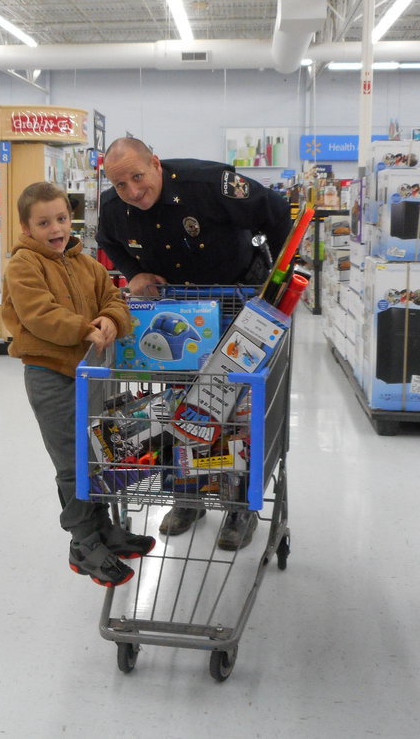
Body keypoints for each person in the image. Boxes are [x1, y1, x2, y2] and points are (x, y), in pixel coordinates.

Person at [96, 137, 293, 549]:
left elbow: (276, 213)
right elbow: (109, 242)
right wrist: (134, 273)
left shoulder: (209, 184)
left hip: (239, 308)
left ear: (155, 162)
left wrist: (277, 280)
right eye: (121, 185)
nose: (133, 192)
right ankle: (188, 496)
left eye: (138, 176)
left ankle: (241, 506)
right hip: (177, 320)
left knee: (238, 409)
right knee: (183, 409)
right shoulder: (114, 209)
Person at [1, 181, 153, 588]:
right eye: (45, 222)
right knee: (71, 463)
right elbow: (38, 314)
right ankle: (83, 543)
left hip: (93, 375)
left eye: (63, 219)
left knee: (99, 455)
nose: (56, 229)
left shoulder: (87, 265)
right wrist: (86, 329)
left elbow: (115, 298)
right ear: (26, 227)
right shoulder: (23, 265)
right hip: (50, 375)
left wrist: (111, 320)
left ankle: (104, 529)